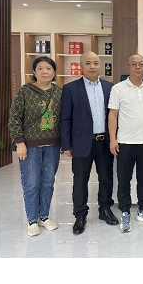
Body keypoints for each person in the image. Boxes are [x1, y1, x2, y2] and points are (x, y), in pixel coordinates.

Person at [61, 51, 117, 235]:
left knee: (106, 178)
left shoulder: (110, 87)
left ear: (100, 65)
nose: (92, 66)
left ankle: (105, 209)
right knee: (80, 180)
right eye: (88, 63)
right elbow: (65, 118)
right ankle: (80, 215)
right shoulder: (70, 88)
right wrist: (66, 144)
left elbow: (115, 115)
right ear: (81, 66)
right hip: (81, 142)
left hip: (104, 141)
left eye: (95, 63)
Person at [9, 56, 62, 237]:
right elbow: (14, 117)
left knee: (48, 182)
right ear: (34, 72)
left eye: (48, 68)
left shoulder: (59, 92)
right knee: (31, 184)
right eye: (40, 68)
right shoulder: (25, 91)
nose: (45, 72)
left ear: (54, 72)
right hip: (30, 147)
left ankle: (44, 216)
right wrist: (19, 142)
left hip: (53, 146)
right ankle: (32, 220)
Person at [108, 54, 143, 233]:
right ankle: (125, 211)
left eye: (141, 64)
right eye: (134, 64)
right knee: (124, 180)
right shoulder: (118, 89)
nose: (138, 67)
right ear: (128, 67)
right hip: (125, 142)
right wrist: (113, 139)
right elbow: (113, 114)